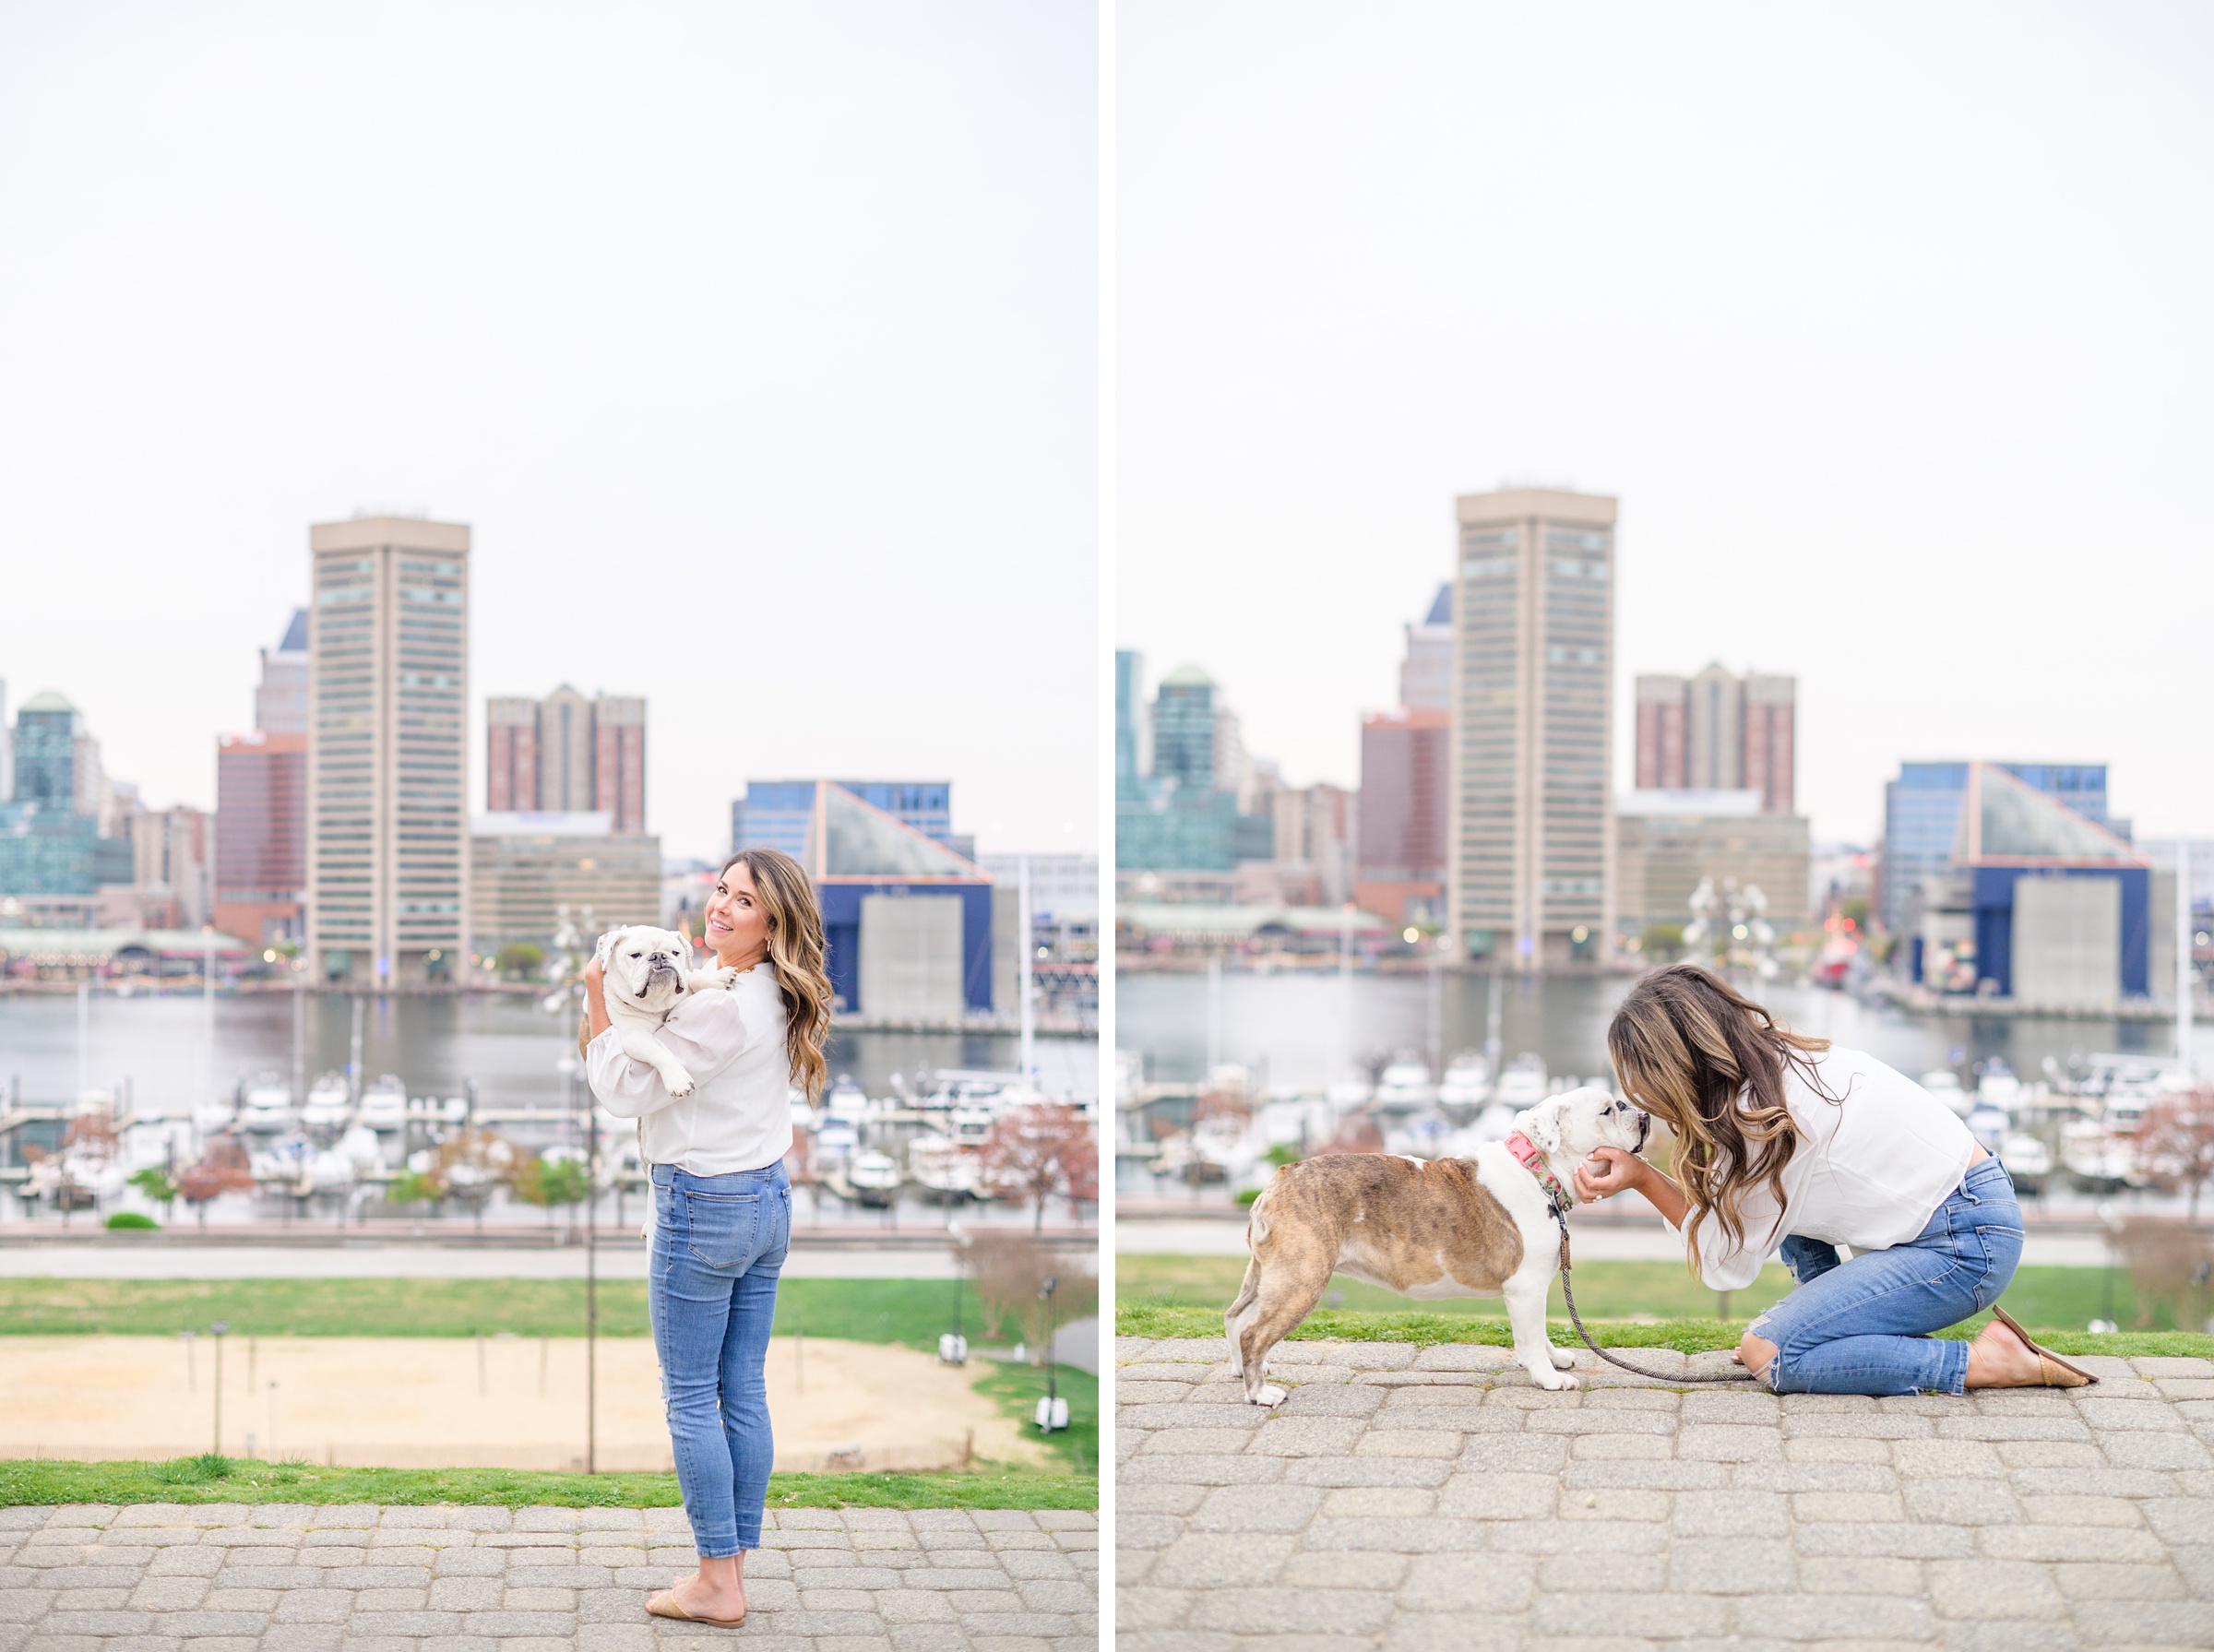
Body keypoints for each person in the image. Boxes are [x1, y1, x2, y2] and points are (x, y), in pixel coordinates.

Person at [1575, 963, 2093, 1396]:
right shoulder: (1779, 1070)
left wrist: (1644, 1179)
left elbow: (1726, 1261)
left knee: (1770, 1354)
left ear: (1675, 1064)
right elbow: (1742, 1217)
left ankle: (1988, 1362)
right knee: (1786, 1236)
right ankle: (1820, 1332)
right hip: (1974, 1212)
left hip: (1965, 1247)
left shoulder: (1769, 1114)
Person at [584, 847, 834, 1626]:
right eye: (720, 890)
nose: (721, 907)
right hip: (765, 1196)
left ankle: (717, 1581)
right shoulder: (762, 989)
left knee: (693, 1395)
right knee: (743, 1389)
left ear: (774, 920)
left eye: (744, 901)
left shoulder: (717, 1006)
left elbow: (622, 1089)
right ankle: (733, 1564)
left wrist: (596, 995)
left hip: (705, 1203)